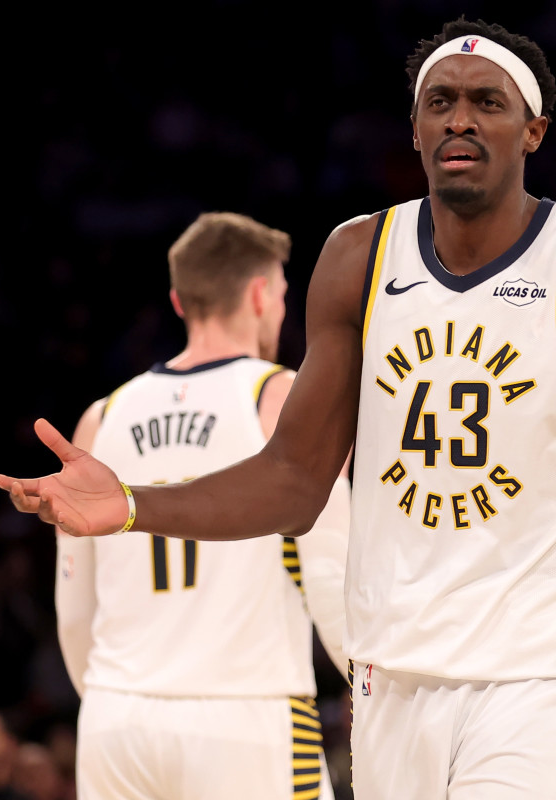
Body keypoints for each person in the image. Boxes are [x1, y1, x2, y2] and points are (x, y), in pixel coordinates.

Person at [0, 17, 556, 798]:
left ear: (534, 130)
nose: (460, 118)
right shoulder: (357, 256)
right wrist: (133, 505)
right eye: (440, 101)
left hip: (539, 680)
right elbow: (295, 479)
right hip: (390, 678)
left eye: (486, 102)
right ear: (415, 127)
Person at [51, 211, 351, 799]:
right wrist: (374, 693)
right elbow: (331, 577)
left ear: (178, 301)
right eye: (282, 295)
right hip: (246, 713)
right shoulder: (281, 398)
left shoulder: (99, 419)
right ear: (261, 295)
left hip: (117, 717)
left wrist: (113, 700)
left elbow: (73, 612)